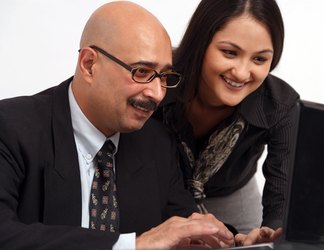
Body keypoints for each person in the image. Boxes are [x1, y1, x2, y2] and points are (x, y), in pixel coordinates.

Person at [0, 1, 236, 249]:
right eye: (142, 72)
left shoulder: (157, 142)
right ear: (89, 64)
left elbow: (186, 227)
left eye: (164, 77)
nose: (157, 93)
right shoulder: (10, 127)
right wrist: (132, 246)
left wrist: (232, 241)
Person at [154, 0, 300, 244]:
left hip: (233, 196)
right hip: (158, 193)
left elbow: (282, 196)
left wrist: (268, 233)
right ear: (202, 43)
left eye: (260, 59)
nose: (242, 73)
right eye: (230, 53)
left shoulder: (280, 106)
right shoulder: (158, 78)